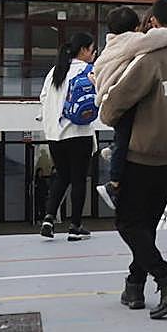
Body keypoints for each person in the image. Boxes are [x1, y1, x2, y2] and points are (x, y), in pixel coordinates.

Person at [99, 0, 167, 319]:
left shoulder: (150, 60)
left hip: (139, 156)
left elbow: (115, 105)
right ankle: (134, 286)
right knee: (146, 226)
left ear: (154, 23)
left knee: (128, 223)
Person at [93, 7, 167, 207]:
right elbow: (158, 37)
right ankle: (114, 183)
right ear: (134, 28)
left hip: (108, 99)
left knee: (122, 137)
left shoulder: (111, 45)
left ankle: (114, 151)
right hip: (120, 98)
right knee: (125, 137)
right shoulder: (130, 41)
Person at [38, 33, 97, 241]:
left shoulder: (55, 71)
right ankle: (75, 226)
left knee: (62, 177)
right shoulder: (89, 70)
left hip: (54, 134)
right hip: (78, 132)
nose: (93, 53)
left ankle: (49, 218)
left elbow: (43, 97)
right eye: (92, 49)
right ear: (83, 50)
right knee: (79, 179)